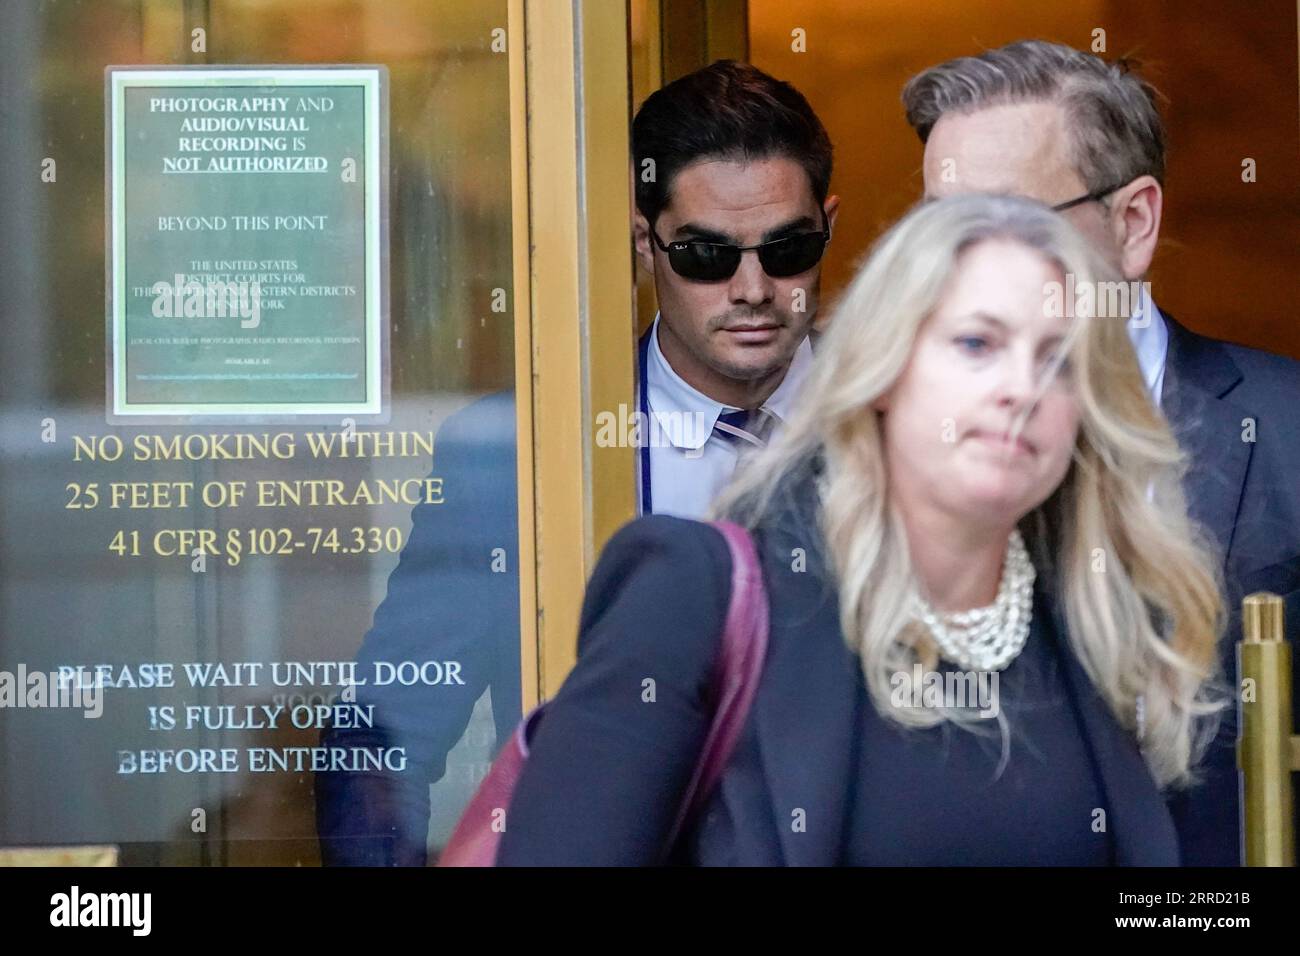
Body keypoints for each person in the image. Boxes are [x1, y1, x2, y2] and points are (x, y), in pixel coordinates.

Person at [495, 193, 1227, 866]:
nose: (1022, 388)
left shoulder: (1098, 626)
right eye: (977, 344)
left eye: (1058, 360)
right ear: (882, 372)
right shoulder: (695, 593)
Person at [316, 60, 839, 865]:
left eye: (788, 249)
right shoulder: (515, 455)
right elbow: (383, 738)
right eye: (705, 254)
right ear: (644, 241)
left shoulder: (911, 419)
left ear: (828, 227)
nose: (753, 287)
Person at [901, 38, 1300, 866]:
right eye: (940, 230)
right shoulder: (895, 455)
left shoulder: (1285, 425)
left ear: (1134, 223)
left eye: (1008, 225)